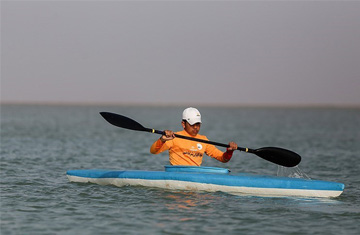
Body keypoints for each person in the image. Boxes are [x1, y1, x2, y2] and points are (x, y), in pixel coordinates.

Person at [150, 107, 238, 166]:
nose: (196, 127)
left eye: (198, 124)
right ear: (183, 124)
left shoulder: (203, 140)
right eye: (192, 124)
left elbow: (223, 159)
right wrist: (162, 140)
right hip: (177, 175)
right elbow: (153, 151)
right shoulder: (173, 138)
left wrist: (229, 152)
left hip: (195, 176)